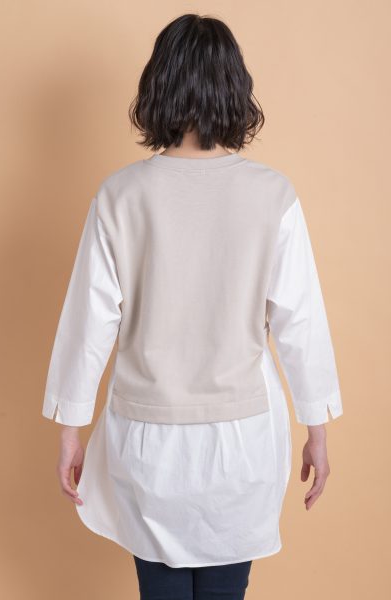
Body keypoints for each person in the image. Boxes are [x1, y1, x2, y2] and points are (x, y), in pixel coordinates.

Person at [42, 13, 343, 600]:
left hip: (147, 440)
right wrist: (318, 429)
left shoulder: (120, 195)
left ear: (159, 85)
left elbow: (89, 323)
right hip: (243, 441)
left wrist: (70, 430)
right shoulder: (273, 195)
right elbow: (300, 323)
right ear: (236, 88)